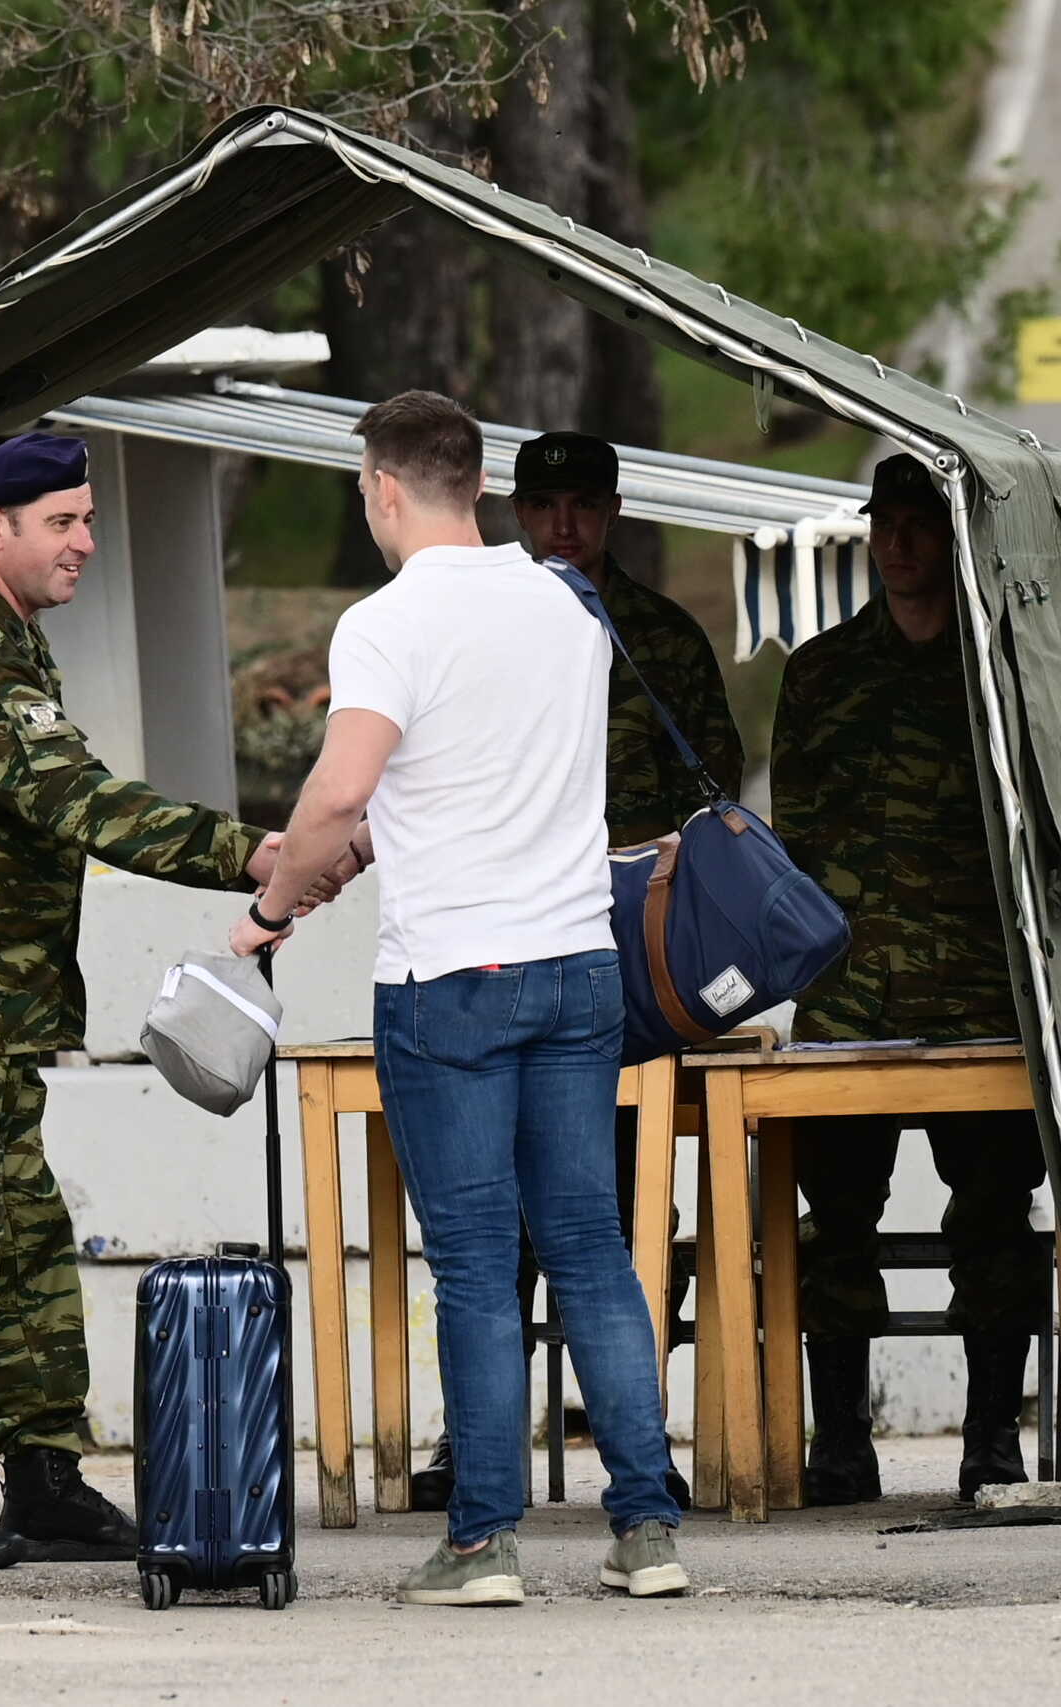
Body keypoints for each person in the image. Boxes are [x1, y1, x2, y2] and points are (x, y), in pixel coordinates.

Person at [0, 432, 337, 1572]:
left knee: (22, 1241)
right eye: (62, 523)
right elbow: (84, 807)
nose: (86, 545)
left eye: (90, 521)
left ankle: (45, 1480)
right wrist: (252, 851)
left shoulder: (5, 642)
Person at [235, 391, 687, 1607]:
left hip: (453, 983)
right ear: (477, 483)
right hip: (578, 966)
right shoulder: (564, 601)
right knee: (592, 1249)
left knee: (481, 1266)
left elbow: (336, 795)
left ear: (382, 490)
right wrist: (376, 838)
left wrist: (274, 907)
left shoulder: (386, 622)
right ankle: (647, 1530)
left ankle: (484, 1541)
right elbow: (480, 775)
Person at [409, 430, 744, 1515]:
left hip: (624, 947)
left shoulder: (655, 636)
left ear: (611, 511)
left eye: (582, 506)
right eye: (545, 505)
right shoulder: (491, 622)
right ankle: (480, 1450)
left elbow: (715, 788)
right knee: (487, 1224)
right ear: (514, 510)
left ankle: (638, 1456)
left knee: (613, 1219)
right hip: (501, 928)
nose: (564, 525)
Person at [768, 451, 1044, 1505]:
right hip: (848, 1000)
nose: (899, 542)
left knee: (994, 1215)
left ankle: (990, 1441)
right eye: (885, 522)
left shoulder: (1002, 670)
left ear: (951, 534)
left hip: (980, 996)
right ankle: (839, 1441)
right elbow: (792, 844)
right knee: (831, 1223)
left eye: (919, 522)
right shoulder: (821, 671)